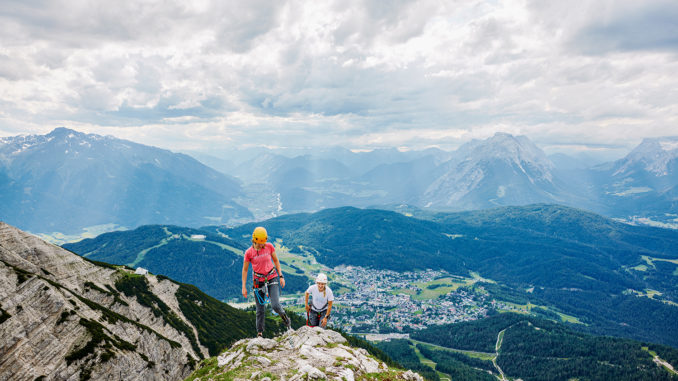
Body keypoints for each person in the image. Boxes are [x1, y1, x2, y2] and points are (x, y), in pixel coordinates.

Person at [241, 226, 291, 336]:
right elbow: (245, 270)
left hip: (271, 277)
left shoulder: (269, 247)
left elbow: (276, 261)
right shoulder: (249, 253)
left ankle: (285, 318)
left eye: (263, 243)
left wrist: (281, 276)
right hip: (258, 281)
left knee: (275, 305)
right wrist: (243, 286)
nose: (262, 245)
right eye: (260, 243)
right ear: (254, 240)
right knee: (260, 309)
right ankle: (260, 333)